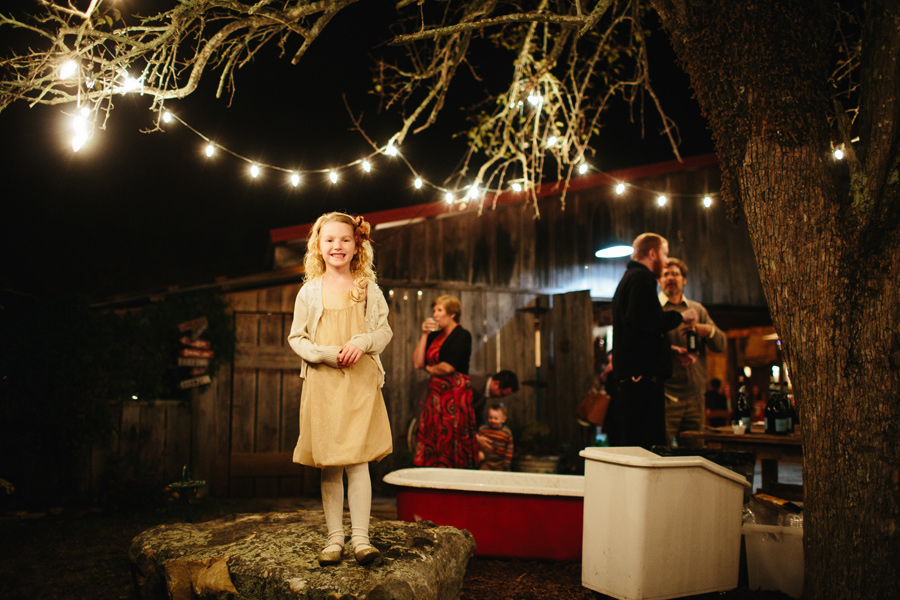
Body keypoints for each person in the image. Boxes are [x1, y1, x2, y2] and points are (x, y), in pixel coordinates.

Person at [287, 212, 393, 567]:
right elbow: (297, 338)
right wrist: (324, 354)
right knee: (331, 463)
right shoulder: (309, 292)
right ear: (318, 246)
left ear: (357, 244)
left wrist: (363, 341)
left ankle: (361, 538)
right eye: (330, 240)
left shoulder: (367, 288)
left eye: (345, 240)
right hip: (324, 381)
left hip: (360, 380)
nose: (337, 246)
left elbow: (384, 331)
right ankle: (335, 538)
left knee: (358, 459)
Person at [607, 233, 697, 449]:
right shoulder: (641, 278)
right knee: (647, 447)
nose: (666, 261)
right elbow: (646, 320)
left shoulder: (629, 278)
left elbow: (638, 331)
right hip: (642, 380)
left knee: (637, 444)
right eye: (665, 254)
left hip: (634, 377)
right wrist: (681, 316)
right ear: (652, 253)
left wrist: (669, 349)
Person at [659, 257, 727, 445]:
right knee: (659, 453)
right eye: (665, 274)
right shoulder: (655, 310)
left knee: (695, 455)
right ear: (659, 280)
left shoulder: (697, 309)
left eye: (675, 274)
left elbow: (721, 345)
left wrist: (706, 330)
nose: (670, 278)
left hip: (696, 397)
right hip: (665, 396)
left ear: (684, 279)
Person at [412, 294, 478, 468]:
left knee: (453, 432)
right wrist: (425, 334)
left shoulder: (462, 335)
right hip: (435, 394)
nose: (435, 315)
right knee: (433, 432)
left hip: (455, 393)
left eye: (439, 310)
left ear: (452, 314)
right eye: (434, 310)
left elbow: (448, 367)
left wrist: (431, 369)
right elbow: (418, 363)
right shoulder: (435, 336)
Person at [476, 403, 514, 470]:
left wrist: (507, 462)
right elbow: (478, 443)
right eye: (490, 418)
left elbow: (509, 448)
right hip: (486, 461)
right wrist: (479, 452)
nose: (493, 420)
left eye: (496, 419)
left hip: (500, 462)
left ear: (503, 419)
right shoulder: (483, 430)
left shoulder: (506, 433)